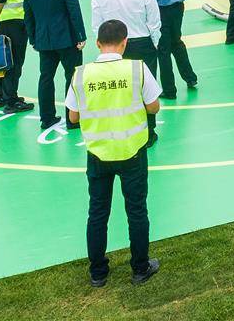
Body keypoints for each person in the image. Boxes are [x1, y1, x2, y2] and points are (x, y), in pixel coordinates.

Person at [66, 19, 161, 288]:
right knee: (136, 211)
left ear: (98, 43)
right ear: (125, 42)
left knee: (97, 213)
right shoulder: (136, 69)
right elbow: (153, 106)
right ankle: (140, 267)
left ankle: (98, 272)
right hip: (131, 152)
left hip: (98, 154)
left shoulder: (81, 74)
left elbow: (73, 116)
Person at [91, 0, 162, 147]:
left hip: (111, 45)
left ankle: (117, 129)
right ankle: (148, 131)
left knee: (116, 89)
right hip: (141, 43)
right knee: (145, 88)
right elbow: (154, 21)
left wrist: (104, 47)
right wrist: (153, 43)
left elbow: (97, 24)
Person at [23, 0, 86, 131]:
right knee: (72, 77)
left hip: (44, 40)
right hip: (67, 40)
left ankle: (47, 117)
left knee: (46, 78)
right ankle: (72, 118)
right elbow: (74, 11)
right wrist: (80, 36)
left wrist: (33, 38)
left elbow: (29, 15)